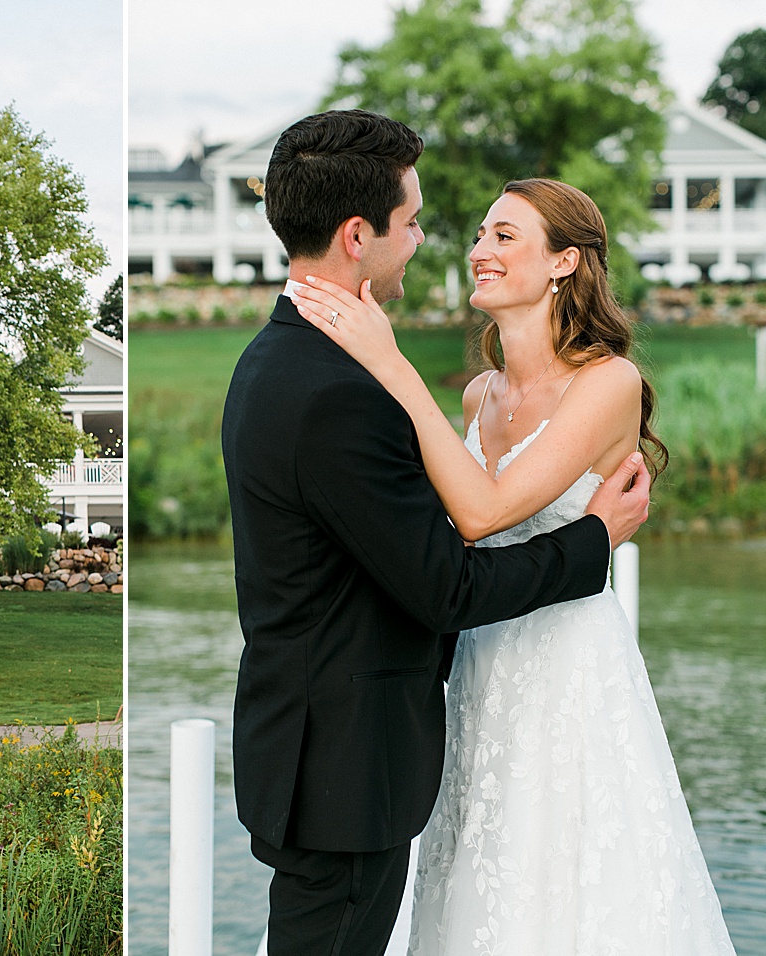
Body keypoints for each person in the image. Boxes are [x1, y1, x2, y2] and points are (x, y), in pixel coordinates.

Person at [221, 110, 651, 956]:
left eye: (501, 233)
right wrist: (596, 541)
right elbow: (450, 578)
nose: (432, 241)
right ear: (357, 235)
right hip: (348, 763)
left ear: (566, 262)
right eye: (413, 221)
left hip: (494, 704)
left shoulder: (275, 362)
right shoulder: (345, 388)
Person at [290, 178, 735, 953]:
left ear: (565, 261)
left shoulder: (607, 382)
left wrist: (391, 368)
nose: (478, 252)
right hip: (477, 665)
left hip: (567, 670)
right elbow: (447, 540)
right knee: (477, 882)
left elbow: (485, 510)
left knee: (564, 884)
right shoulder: (475, 397)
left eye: (504, 235)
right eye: (479, 235)